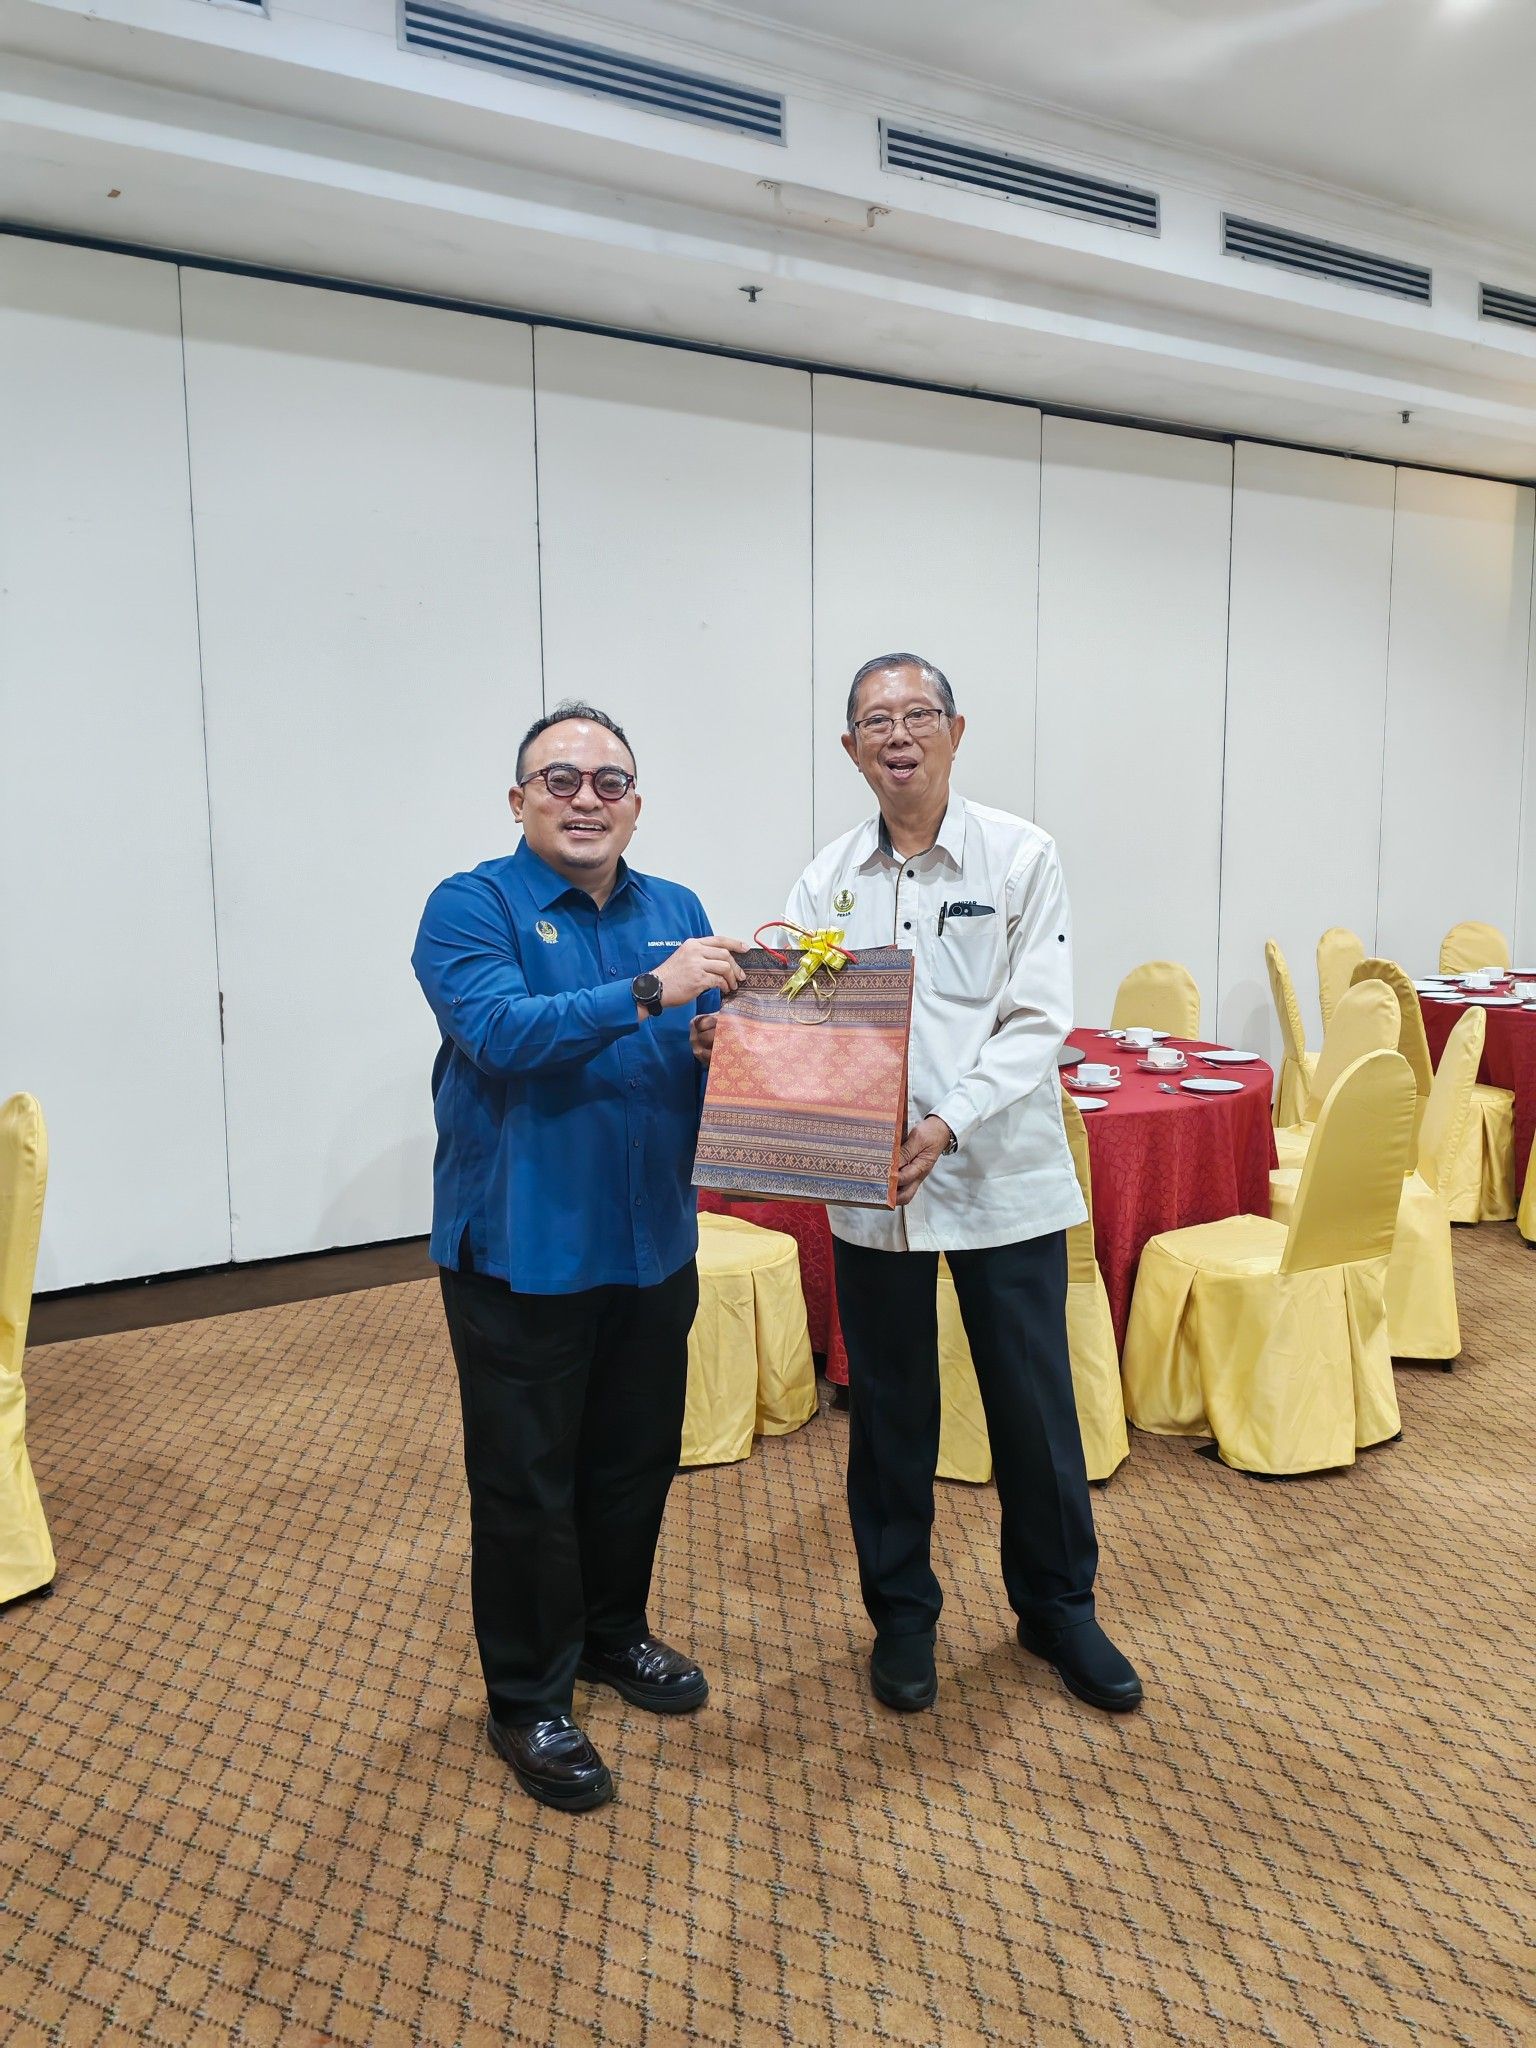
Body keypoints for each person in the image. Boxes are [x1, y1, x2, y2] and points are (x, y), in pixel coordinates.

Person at [696, 653, 1140, 1716]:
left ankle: (1058, 1608)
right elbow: (807, 1018)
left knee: (1033, 1406)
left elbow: (1038, 1019)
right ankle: (901, 1615)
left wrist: (948, 1121)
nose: (899, 735)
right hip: (874, 1190)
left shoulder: (1021, 856)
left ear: (955, 729)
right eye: (876, 722)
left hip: (998, 1175)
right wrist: (742, 1040)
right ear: (851, 748)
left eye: (918, 714)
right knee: (890, 1412)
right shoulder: (828, 879)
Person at [413, 701, 745, 1811]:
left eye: (610, 782)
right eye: (561, 779)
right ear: (519, 800)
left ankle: (612, 1632)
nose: (586, 798)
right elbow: (501, 1033)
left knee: (633, 1460)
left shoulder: (678, 909)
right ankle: (528, 1697)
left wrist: (721, 1044)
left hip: (652, 1241)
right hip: (523, 1252)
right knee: (525, 1485)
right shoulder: (471, 905)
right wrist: (654, 991)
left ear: (636, 804)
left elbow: (694, 1053)